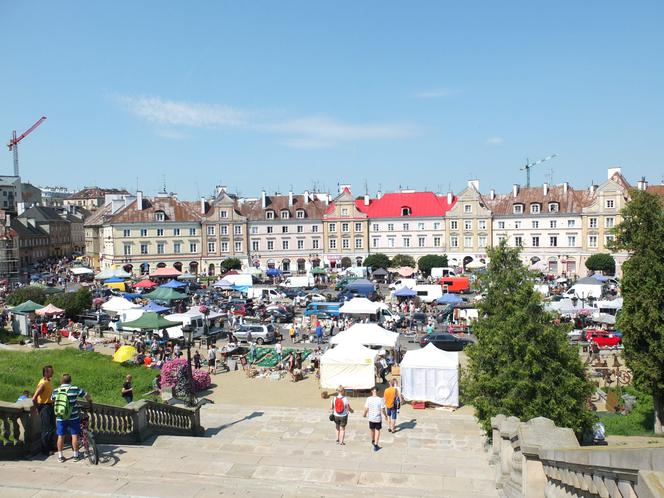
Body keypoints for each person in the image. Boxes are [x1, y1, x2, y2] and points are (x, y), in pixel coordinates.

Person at [51, 373, 92, 463]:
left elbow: (52, 400)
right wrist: (89, 402)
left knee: (60, 436)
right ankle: (75, 456)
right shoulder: (75, 389)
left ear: (61, 381)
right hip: (73, 417)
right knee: (74, 436)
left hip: (60, 417)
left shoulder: (56, 390)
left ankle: (60, 456)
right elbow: (86, 395)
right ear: (70, 381)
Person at [32, 365, 55, 455]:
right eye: (51, 371)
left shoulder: (48, 381)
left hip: (49, 406)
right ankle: (45, 451)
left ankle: (50, 446)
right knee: (46, 429)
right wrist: (38, 408)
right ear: (46, 373)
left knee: (52, 427)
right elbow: (34, 398)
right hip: (44, 407)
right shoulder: (42, 384)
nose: (52, 372)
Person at [364, 386, 387, 451]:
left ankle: (373, 440)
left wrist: (364, 414)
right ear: (377, 391)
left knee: (372, 429)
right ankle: (376, 445)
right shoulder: (380, 399)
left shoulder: (368, 399)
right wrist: (385, 416)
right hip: (377, 418)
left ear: (372, 391)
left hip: (371, 417)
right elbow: (383, 409)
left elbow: (366, 408)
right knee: (377, 430)